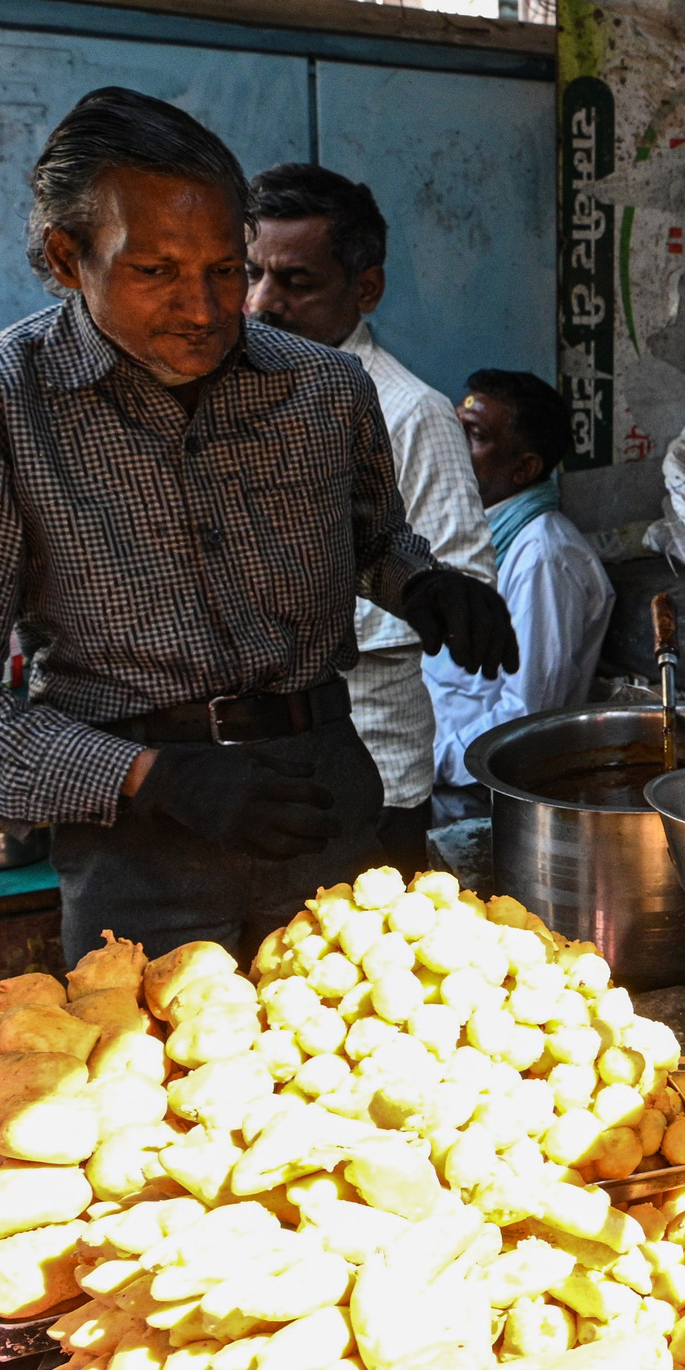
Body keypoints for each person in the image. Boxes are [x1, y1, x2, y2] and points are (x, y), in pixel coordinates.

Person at [0, 86, 519, 963]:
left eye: (223, 268)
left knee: (357, 1061)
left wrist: (422, 583)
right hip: (137, 841)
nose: (207, 310)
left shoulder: (324, 389)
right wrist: (150, 780)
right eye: (155, 271)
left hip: (322, 798)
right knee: (162, 1078)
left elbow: (370, 539)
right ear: (68, 257)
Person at [243, 161, 494, 874]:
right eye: (251, 273)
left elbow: (461, 584)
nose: (262, 302)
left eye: (295, 281)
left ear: (366, 288)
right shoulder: (238, 397)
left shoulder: (411, 411)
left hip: (372, 764)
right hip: (261, 776)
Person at [426, 369, 616, 821]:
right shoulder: (474, 533)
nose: (451, 446)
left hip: (475, 797)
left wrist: (429, 762)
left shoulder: (544, 556)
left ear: (524, 468)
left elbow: (526, 717)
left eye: (473, 435)